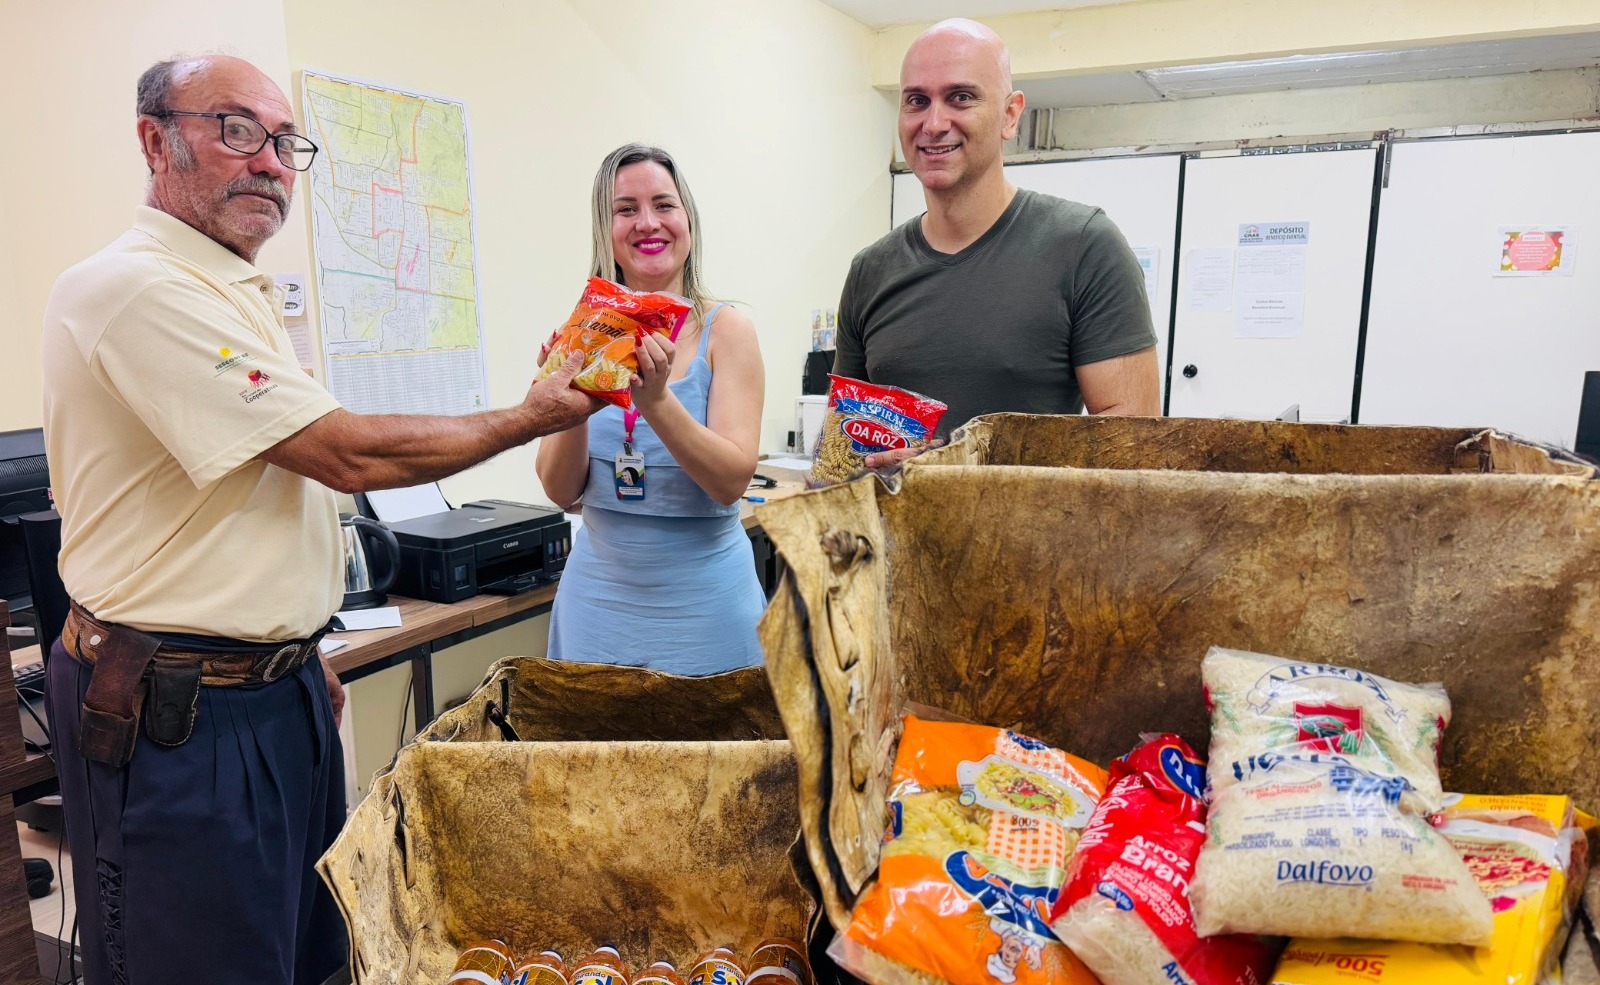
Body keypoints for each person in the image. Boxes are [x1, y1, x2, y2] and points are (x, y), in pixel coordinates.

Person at [40, 55, 599, 984]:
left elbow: (257, 497)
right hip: (176, 711)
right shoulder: (136, 288)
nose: (270, 161)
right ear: (155, 141)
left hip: (276, 688)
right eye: (237, 130)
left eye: (285, 142)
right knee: (203, 966)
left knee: (303, 955)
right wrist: (531, 414)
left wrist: (301, 647)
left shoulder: (235, 293)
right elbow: (345, 455)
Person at [835, 18, 1160, 467]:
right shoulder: (870, 270)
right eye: (916, 101)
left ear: (1010, 115)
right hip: (895, 517)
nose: (934, 123)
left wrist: (960, 463)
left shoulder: (1084, 247)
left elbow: (1134, 440)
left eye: (960, 97)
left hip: (1032, 516)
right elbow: (843, 452)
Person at [536, 144, 767, 676]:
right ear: (606, 229)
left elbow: (731, 481)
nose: (647, 223)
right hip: (596, 615)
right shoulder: (585, 332)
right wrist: (571, 408)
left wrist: (657, 401)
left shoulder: (728, 331)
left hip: (707, 616)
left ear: (688, 220)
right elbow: (560, 490)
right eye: (626, 209)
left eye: (664, 204)